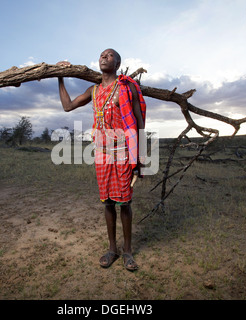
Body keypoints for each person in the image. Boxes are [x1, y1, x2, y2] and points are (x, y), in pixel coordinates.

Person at [57, 49, 146, 271]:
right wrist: (59, 76)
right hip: (102, 153)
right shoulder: (94, 90)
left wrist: (141, 155)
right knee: (107, 202)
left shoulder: (126, 88)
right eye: (101, 55)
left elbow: (140, 122)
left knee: (124, 201)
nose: (103, 57)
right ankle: (112, 249)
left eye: (109, 55)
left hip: (124, 150)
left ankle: (127, 251)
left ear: (117, 63)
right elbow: (67, 106)